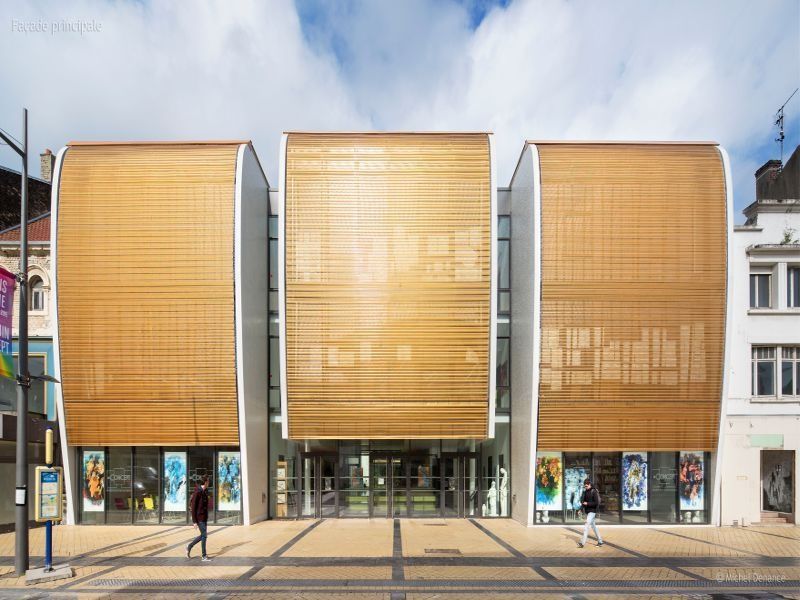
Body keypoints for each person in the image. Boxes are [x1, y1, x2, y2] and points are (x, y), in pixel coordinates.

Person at [186, 476, 212, 561]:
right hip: (199, 517)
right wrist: (194, 522)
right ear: (205, 482)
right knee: (204, 536)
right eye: (208, 481)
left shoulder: (204, 491)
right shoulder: (197, 492)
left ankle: (189, 546)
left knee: (203, 535)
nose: (209, 483)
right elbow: (193, 508)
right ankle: (204, 556)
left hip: (204, 517)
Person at [577, 478, 604, 548]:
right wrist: (580, 509)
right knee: (594, 527)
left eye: (586, 486)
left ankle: (582, 543)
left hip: (592, 511)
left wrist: (588, 503)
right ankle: (600, 541)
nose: (585, 487)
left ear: (590, 484)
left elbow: (596, 503)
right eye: (584, 486)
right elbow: (583, 502)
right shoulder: (585, 492)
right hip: (588, 511)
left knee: (586, 526)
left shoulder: (594, 491)